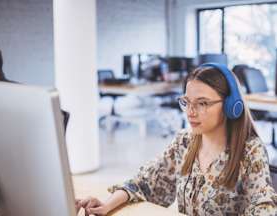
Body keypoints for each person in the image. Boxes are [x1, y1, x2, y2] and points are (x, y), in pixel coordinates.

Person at [77, 63, 277, 215]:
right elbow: (146, 182)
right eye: (187, 102)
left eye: (202, 103)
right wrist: (106, 205)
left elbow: (263, 207)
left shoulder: (250, 151)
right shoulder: (185, 141)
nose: (190, 112)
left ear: (230, 105)